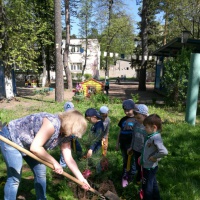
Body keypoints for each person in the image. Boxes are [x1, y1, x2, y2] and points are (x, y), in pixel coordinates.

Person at [0, 110, 90, 200]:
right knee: (15, 177)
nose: (74, 134)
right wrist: (54, 162)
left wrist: (81, 180)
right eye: (75, 131)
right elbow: (35, 148)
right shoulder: (52, 124)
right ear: (71, 126)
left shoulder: (67, 134)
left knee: (40, 172)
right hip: (11, 139)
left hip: (30, 143)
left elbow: (69, 158)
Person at [140, 114, 168, 200]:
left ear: (154, 127)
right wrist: (141, 157)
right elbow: (148, 150)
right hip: (149, 166)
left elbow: (164, 151)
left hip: (149, 167)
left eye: (146, 127)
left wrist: (155, 157)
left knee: (147, 187)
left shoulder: (155, 138)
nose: (145, 129)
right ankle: (156, 198)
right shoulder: (151, 136)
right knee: (153, 184)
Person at [116, 99, 137, 187]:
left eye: (128, 110)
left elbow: (136, 134)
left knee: (132, 161)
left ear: (133, 109)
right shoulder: (123, 120)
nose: (126, 112)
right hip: (123, 144)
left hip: (131, 145)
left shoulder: (136, 120)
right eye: (125, 110)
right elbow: (120, 131)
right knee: (125, 160)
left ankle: (132, 176)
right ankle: (125, 174)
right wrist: (117, 143)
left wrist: (132, 146)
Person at [128, 104, 148, 184]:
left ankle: (143, 180)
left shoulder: (147, 127)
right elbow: (133, 136)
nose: (136, 119)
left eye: (138, 118)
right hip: (136, 149)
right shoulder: (136, 124)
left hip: (144, 151)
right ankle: (138, 179)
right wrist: (131, 146)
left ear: (145, 116)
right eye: (135, 117)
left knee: (143, 167)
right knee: (137, 165)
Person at [59, 102, 82, 168]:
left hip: (73, 136)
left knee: (78, 147)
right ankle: (63, 166)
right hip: (65, 137)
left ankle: (79, 158)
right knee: (64, 151)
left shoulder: (75, 117)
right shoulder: (63, 118)